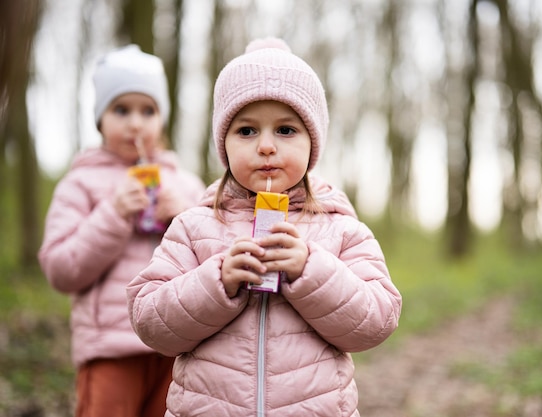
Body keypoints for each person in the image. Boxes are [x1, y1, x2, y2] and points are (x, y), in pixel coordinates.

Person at [126, 37, 402, 417]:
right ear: (223, 143)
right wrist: (217, 280)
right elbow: (149, 321)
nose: (267, 146)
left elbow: (377, 319)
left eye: (286, 130)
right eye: (247, 131)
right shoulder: (194, 225)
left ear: (312, 143)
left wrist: (311, 269)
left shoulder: (340, 228)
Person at [38, 44, 206, 417]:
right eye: (121, 109)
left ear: (163, 116)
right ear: (99, 119)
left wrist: (184, 215)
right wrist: (112, 214)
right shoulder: (80, 184)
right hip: (110, 349)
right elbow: (61, 270)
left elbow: (214, 258)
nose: (135, 123)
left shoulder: (186, 184)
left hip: (177, 347)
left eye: (148, 110)